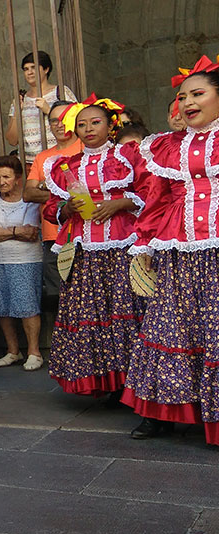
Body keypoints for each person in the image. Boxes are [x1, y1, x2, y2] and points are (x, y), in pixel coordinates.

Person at [122, 59, 219, 442]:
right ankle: (159, 413)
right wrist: (143, 243)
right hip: (179, 250)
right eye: (182, 97)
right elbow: (157, 201)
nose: (186, 103)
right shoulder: (164, 147)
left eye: (198, 94)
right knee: (169, 326)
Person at [43, 96, 142, 400]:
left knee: (125, 310)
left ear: (111, 125)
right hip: (84, 250)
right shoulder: (65, 165)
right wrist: (66, 207)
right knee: (91, 313)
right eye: (81, 124)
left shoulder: (129, 156)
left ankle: (131, 382)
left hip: (122, 245)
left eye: (95, 122)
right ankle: (104, 381)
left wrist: (121, 203)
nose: (87, 129)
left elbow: (151, 194)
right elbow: (50, 208)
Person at [0, 155, 44, 370]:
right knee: (2, 307)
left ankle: (34, 352)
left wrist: (1, 232)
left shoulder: (29, 200)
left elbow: (31, 233)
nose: (1, 182)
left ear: (17, 178)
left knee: (27, 306)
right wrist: (16, 231)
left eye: (6, 176)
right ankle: (12, 351)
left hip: (25, 260)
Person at [22, 101, 81, 310]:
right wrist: (65, 192)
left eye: (65, 118)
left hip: (86, 235)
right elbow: (28, 193)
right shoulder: (42, 157)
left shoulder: (86, 149)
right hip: (53, 236)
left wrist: (46, 187)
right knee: (60, 300)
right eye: (54, 120)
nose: (60, 124)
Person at [5, 51, 77, 164]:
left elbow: (76, 124)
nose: (29, 72)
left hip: (60, 159)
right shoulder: (20, 99)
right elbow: (12, 140)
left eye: (33, 67)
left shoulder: (61, 92)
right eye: (26, 69)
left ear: (46, 69)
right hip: (29, 163)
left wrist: (49, 111)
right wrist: (16, 114)